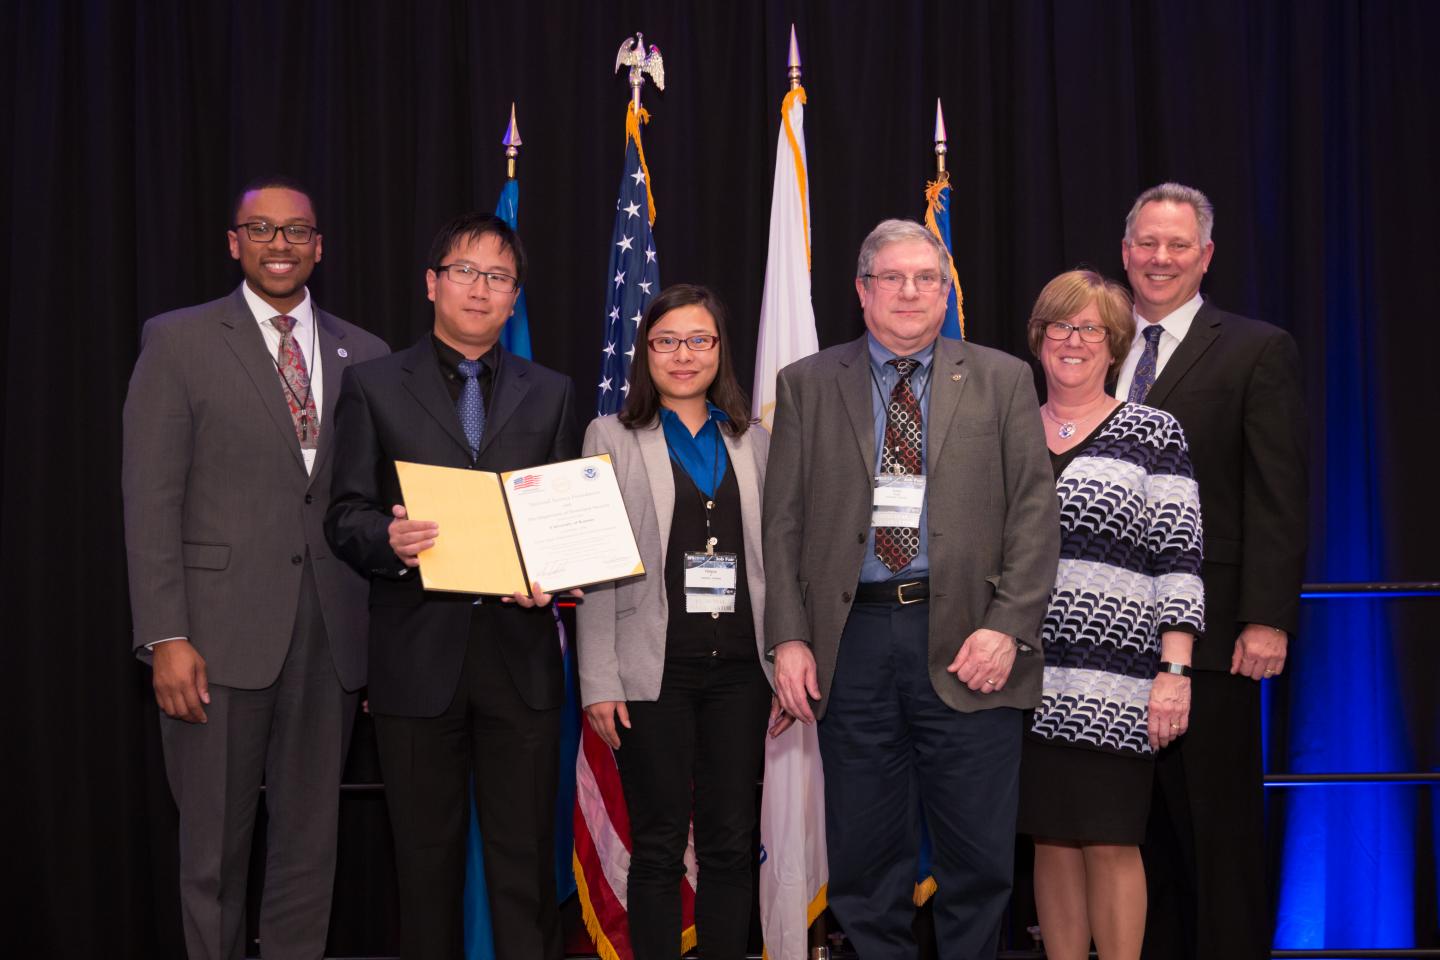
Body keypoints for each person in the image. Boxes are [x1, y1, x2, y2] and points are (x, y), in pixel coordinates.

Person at [764, 219, 1060, 959]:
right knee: (865, 863)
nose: (909, 292)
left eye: (926, 278)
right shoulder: (806, 384)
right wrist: (790, 638)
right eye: (891, 278)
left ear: (945, 291)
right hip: (852, 645)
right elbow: (783, 525)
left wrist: (1006, 626)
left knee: (979, 863)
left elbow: (1034, 512)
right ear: (862, 292)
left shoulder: (1002, 379)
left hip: (972, 640)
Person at [122, 176, 389, 960]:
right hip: (214, 640)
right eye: (262, 230)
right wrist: (164, 634)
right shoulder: (178, 341)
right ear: (235, 242)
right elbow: (149, 500)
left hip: (334, 637)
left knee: (312, 848)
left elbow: (364, 503)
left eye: (297, 231)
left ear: (319, 246)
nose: (281, 244)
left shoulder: (364, 353)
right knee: (214, 854)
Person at [324, 213, 579, 959]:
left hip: (521, 659)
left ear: (515, 299)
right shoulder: (371, 385)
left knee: (525, 866)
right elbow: (344, 515)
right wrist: (388, 540)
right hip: (416, 661)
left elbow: (565, 515)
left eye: (498, 277)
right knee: (424, 869)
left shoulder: (553, 392)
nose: (480, 289)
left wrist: (554, 578)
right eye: (465, 271)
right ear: (432, 283)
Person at [1114, 183, 1308, 960]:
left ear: (1207, 256)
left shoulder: (1257, 348)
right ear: (1125, 252)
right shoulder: (1090, 341)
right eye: (1147, 244)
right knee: (1133, 829)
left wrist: (1267, 615)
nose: (1161, 259)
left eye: (1178, 245)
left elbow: (1278, 492)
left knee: (1216, 828)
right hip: (1106, 634)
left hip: (1219, 631)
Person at [578, 283, 773, 959]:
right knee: (657, 845)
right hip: (647, 672)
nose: (683, 355)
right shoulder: (610, 435)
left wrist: (783, 660)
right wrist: (598, 678)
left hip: (743, 672)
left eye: (699, 340)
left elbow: (774, 562)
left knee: (729, 841)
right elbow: (597, 566)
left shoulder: (756, 441)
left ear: (720, 351)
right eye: (666, 342)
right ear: (645, 354)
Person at [1014, 270, 1204, 960]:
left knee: (1112, 839)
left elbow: (1179, 559)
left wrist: (1174, 670)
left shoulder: (1153, 431)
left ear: (1116, 343)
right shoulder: (1007, 430)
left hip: (1118, 684)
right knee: (1051, 839)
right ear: (1038, 339)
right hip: (1023, 680)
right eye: (1059, 326)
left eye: (1090, 328)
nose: (1073, 341)